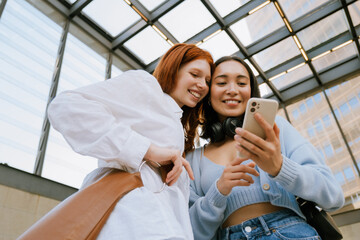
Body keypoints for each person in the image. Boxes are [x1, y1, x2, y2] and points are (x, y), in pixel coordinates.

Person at [47, 43, 214, 240]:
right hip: (133, 217)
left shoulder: (177, 122)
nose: (203, 85)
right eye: (195, 74)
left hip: (160, 223)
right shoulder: (145, 85)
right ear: (173, 69)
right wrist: (147, 150)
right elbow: (66, 106)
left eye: (207, 80)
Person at [186, 56, 344, 240]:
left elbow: (334, 197)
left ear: (251, 92)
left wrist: (280, 167)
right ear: (208, 94)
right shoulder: (193, 159)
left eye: (242, 83)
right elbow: (191, 233)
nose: (232, 90)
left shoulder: (276, 129)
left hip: (292, 233)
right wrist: (218, 190)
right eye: (221, 83)